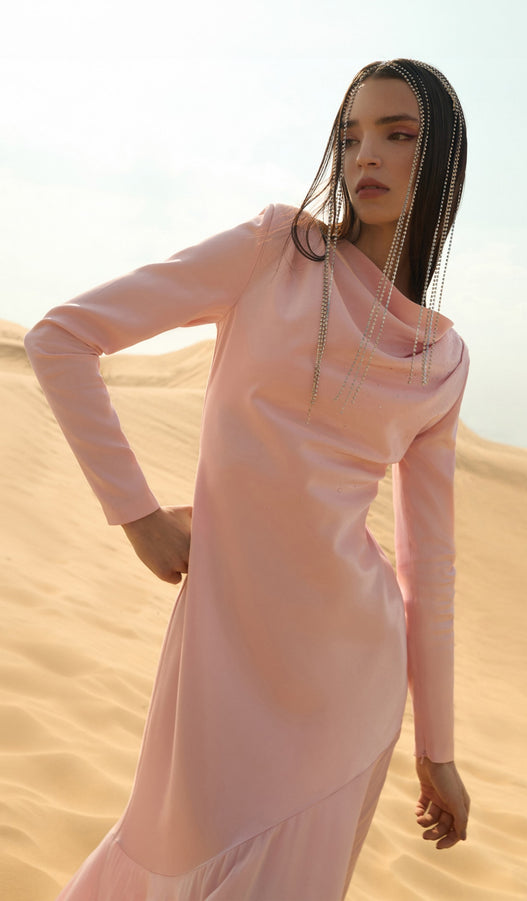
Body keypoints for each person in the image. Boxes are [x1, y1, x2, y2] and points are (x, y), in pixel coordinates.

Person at [25, 58, 471, 901]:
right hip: (222, 654)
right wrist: (138, 515)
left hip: (348, 686)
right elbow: (61, 339)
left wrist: (437, 748)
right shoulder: (275, 252)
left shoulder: (441, 361)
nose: (366, 156)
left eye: (398, 134)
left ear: (442, 158)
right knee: (167, 860)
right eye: (351, 136)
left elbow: (431, 567)